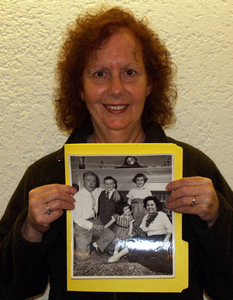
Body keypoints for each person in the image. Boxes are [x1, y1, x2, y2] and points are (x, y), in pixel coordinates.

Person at [0, 6, 232, 300]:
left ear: (150, 84)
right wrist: (30, 232)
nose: (116, 89)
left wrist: (217, 219)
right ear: (80, 90)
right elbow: (10, 289)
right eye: (99, 74)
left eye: (130, 73)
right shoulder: (46, 175)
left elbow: (226, 289)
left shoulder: (194, 169)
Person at [107, 196, 172, 271]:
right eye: (148, 205)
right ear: (145, 207)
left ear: (156, 206)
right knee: (136, 239)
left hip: (159, 239)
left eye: (152, 205)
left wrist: (165, 242)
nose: (149, 207)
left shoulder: (162, 215)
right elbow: (140, 229)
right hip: (149, 239)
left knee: (149, 259)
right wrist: (128, 228)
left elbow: (170, 229)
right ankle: (118, 255)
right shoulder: (145, 217)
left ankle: (118, 256)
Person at [73, 172, 115, 260]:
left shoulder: (96, 191)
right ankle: (85, 246)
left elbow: (109, 188)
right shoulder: (78, 196)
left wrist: (115, 192)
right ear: (83, 181)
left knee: (110, 235)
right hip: (82, 226)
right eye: (88, 180)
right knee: (82, 258)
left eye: (94, 181)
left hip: (94, 221)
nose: (91, 183)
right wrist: (93, 226)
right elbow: (77, 218)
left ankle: (94, 246)